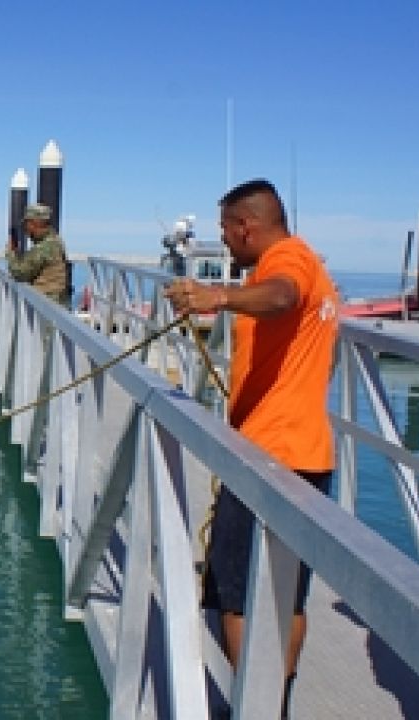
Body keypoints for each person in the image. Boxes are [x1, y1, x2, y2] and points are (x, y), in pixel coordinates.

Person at [164, 178, 338, 719]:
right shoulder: (308, 263)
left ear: (246, 226)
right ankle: (274, 703)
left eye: (226, 233)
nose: (226, 243)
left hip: (269, 457)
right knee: (289, 595)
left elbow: (282, 296)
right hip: (306, 452)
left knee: (234, 593)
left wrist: (217, 296)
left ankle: (254, 705)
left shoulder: (289, 261)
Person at [6, 203, 70, 307]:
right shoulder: (55, 241)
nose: (26, 230)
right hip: (55, 302)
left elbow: (19, 274)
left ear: (34, 223)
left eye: (27, 224)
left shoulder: (44, 247)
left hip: (47, 305)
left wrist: (11, 253)